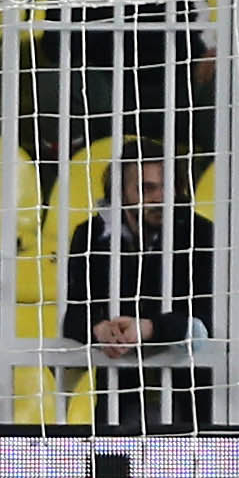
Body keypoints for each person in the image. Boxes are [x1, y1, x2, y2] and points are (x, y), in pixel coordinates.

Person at [59, 144, 216, 432]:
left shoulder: (201, 233)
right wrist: (99, 329)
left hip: (190, 399)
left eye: (166, 187)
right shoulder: (91, 236)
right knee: (112, 471)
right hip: (120, 395)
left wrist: (149, 328)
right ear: (120, 193)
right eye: (146, 189)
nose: (159, 198)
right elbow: (73, 317)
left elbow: (205, 322)